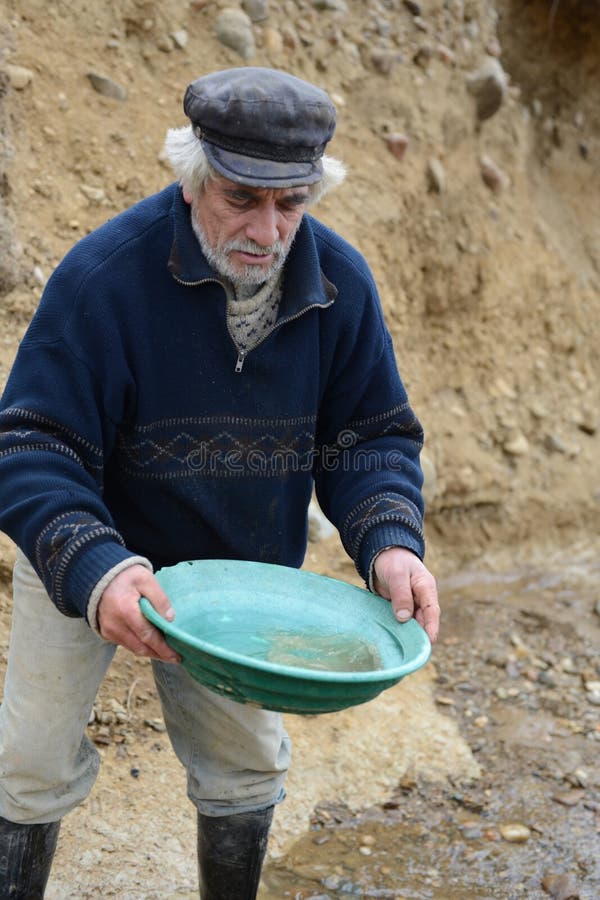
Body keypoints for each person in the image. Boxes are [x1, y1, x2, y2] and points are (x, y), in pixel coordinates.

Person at [0, 66, 440, 898]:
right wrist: (100, 571)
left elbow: (371, 437)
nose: (268, 230)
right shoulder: (104, 279)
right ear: (193, 177)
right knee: (28, 763)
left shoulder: (340, 288)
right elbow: (32, 442)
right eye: (242, 198)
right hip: (90, 547)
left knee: (244, 768)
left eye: (291, 204)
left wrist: (390, 541)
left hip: (238, 571)